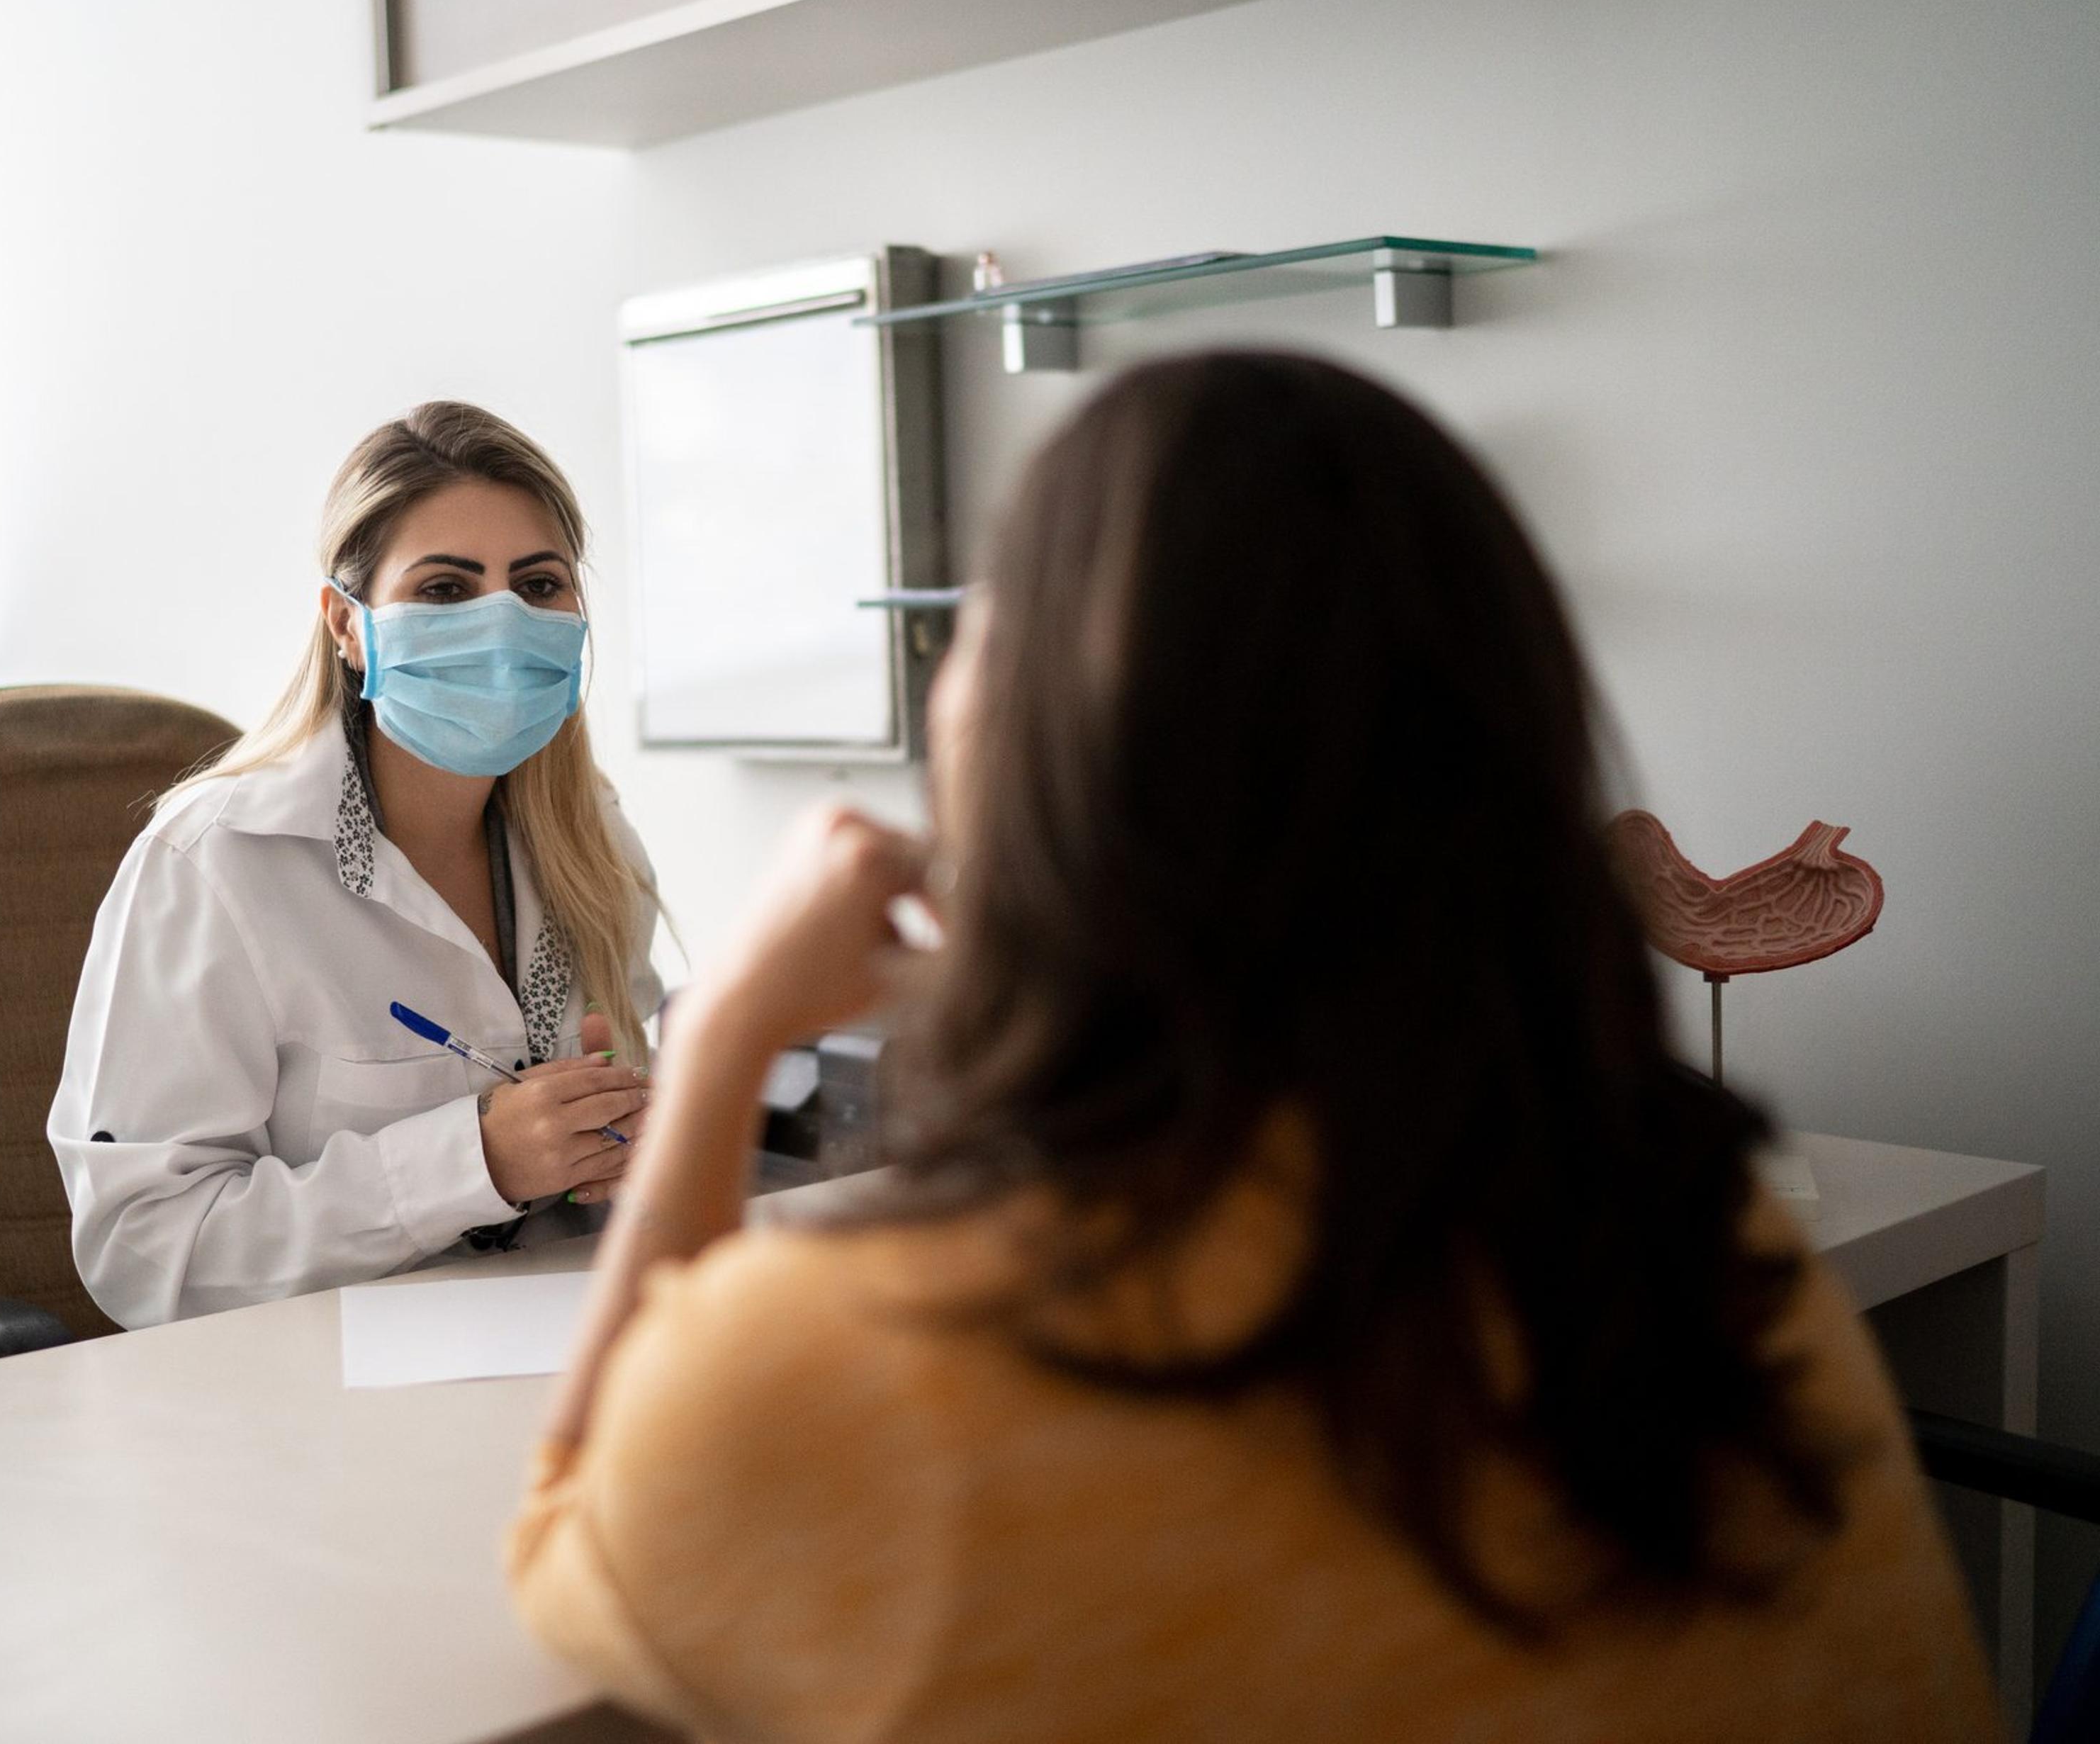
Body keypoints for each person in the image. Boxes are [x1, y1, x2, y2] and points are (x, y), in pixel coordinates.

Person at [507, 352, 1996, 1741]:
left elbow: (586, 1539)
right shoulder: (1699, 1247)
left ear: (1035, 763)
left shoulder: (857, 1358)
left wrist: (725, 1043)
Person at [48, 401, 661, 1329]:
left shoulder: (594, 841)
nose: (501, 626)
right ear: (346, 624)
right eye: (447, 591)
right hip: (308, 1397)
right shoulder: (216, 865)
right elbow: (146, 1249)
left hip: (555, 1354)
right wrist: (473, 1163)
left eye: (538, 586)